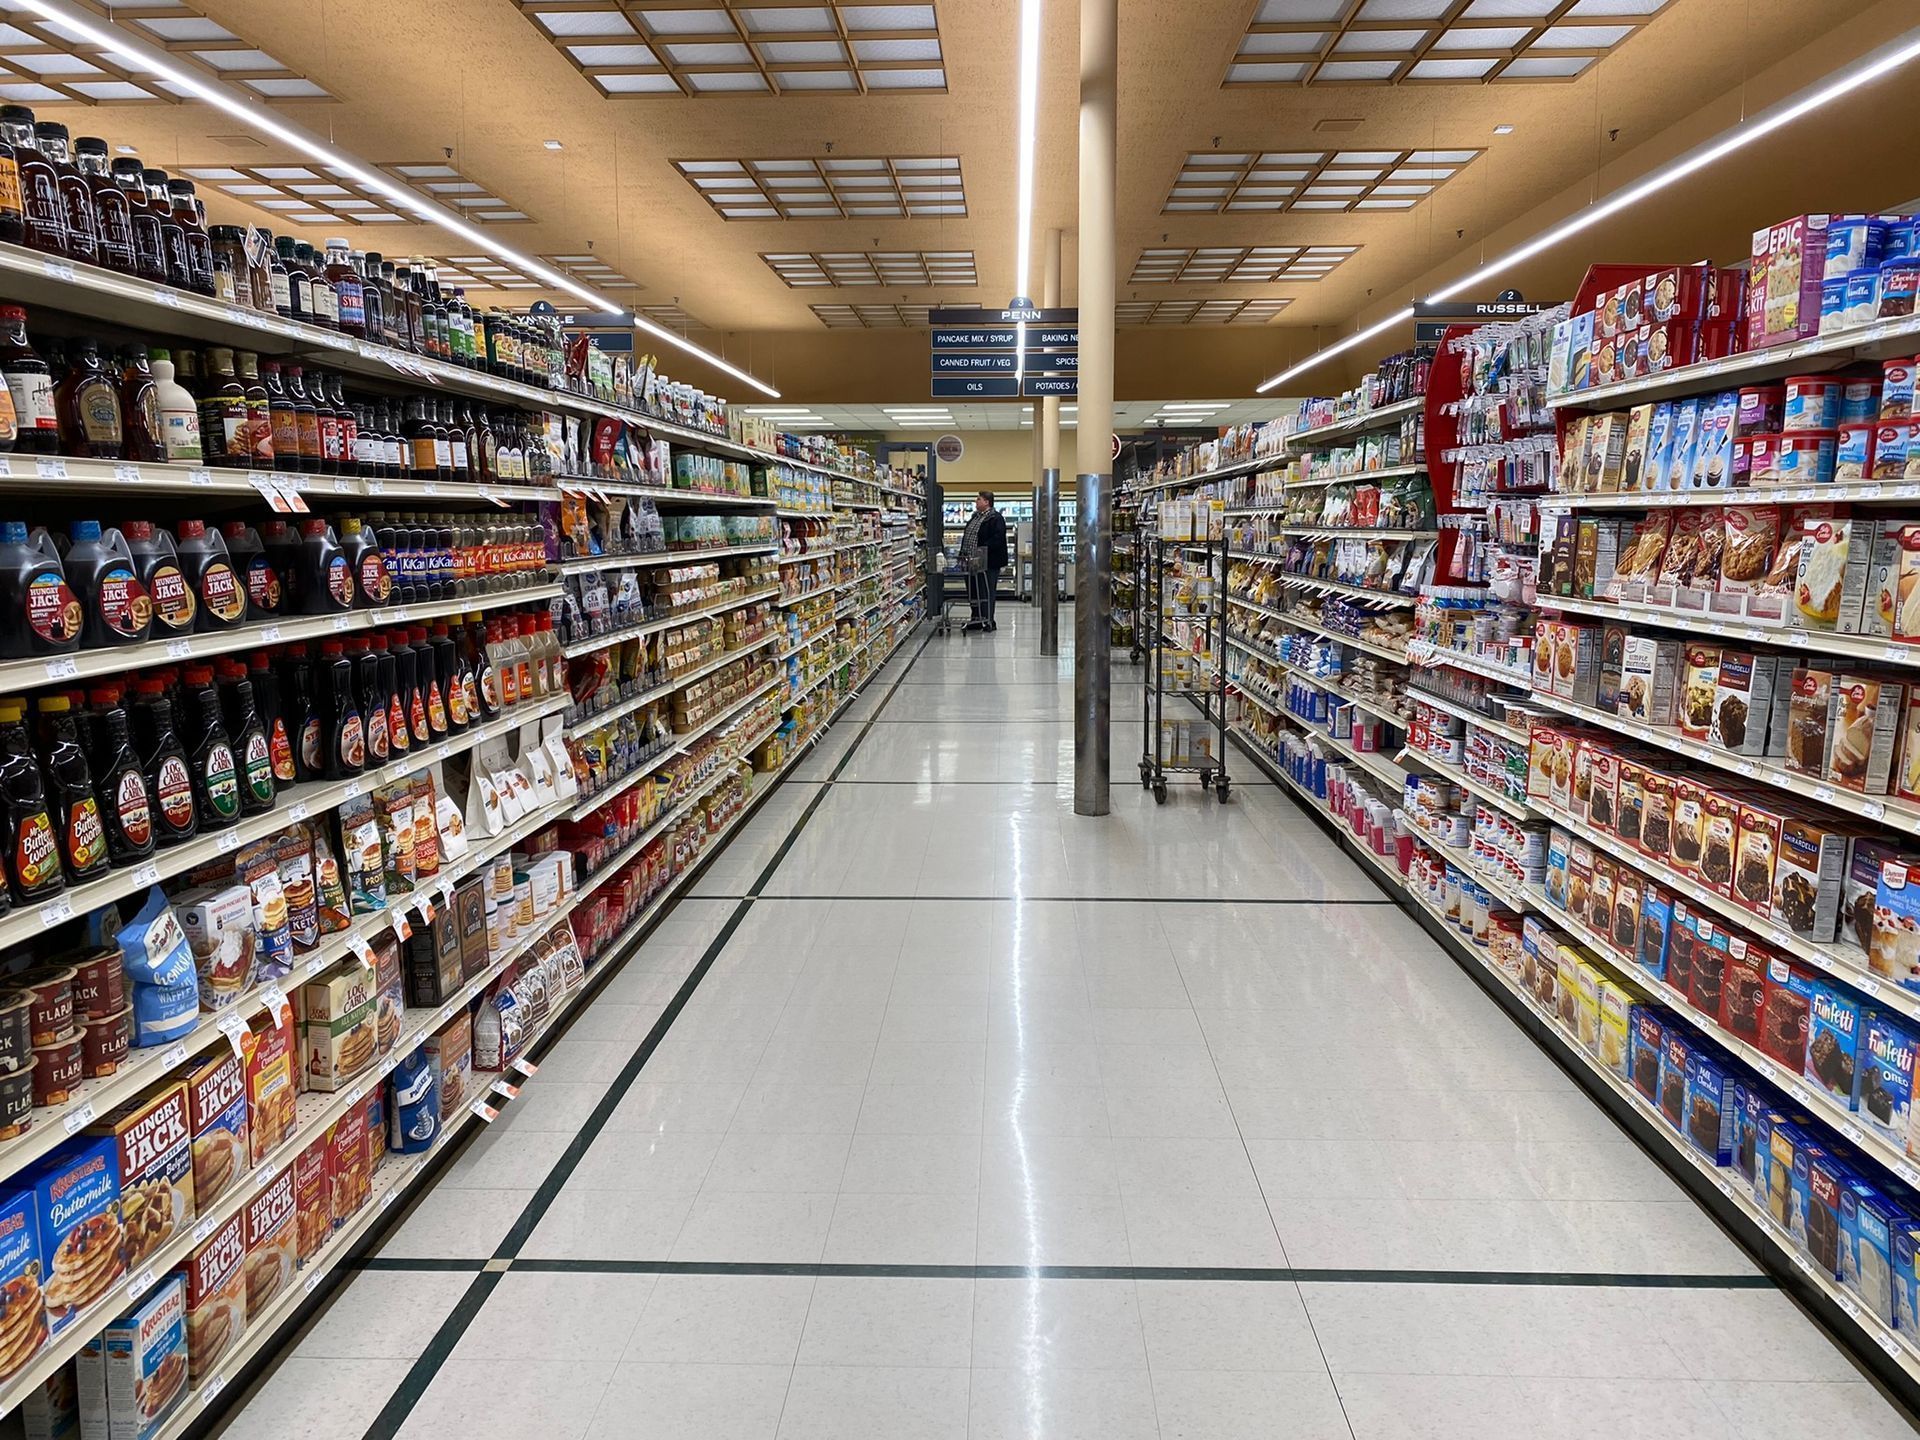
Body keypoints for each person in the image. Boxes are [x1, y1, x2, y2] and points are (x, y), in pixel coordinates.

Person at [959, 490, 1007, 632]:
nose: (976, 502)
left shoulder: (995, 518)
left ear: (987, 502)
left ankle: (988, 620)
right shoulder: (975, 517)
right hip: (971, 561)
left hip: (988, 562)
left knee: (986, 590)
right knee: (973, 591)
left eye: (978, 499)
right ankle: (976, 619)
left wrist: (982, 549)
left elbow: (998, 538)